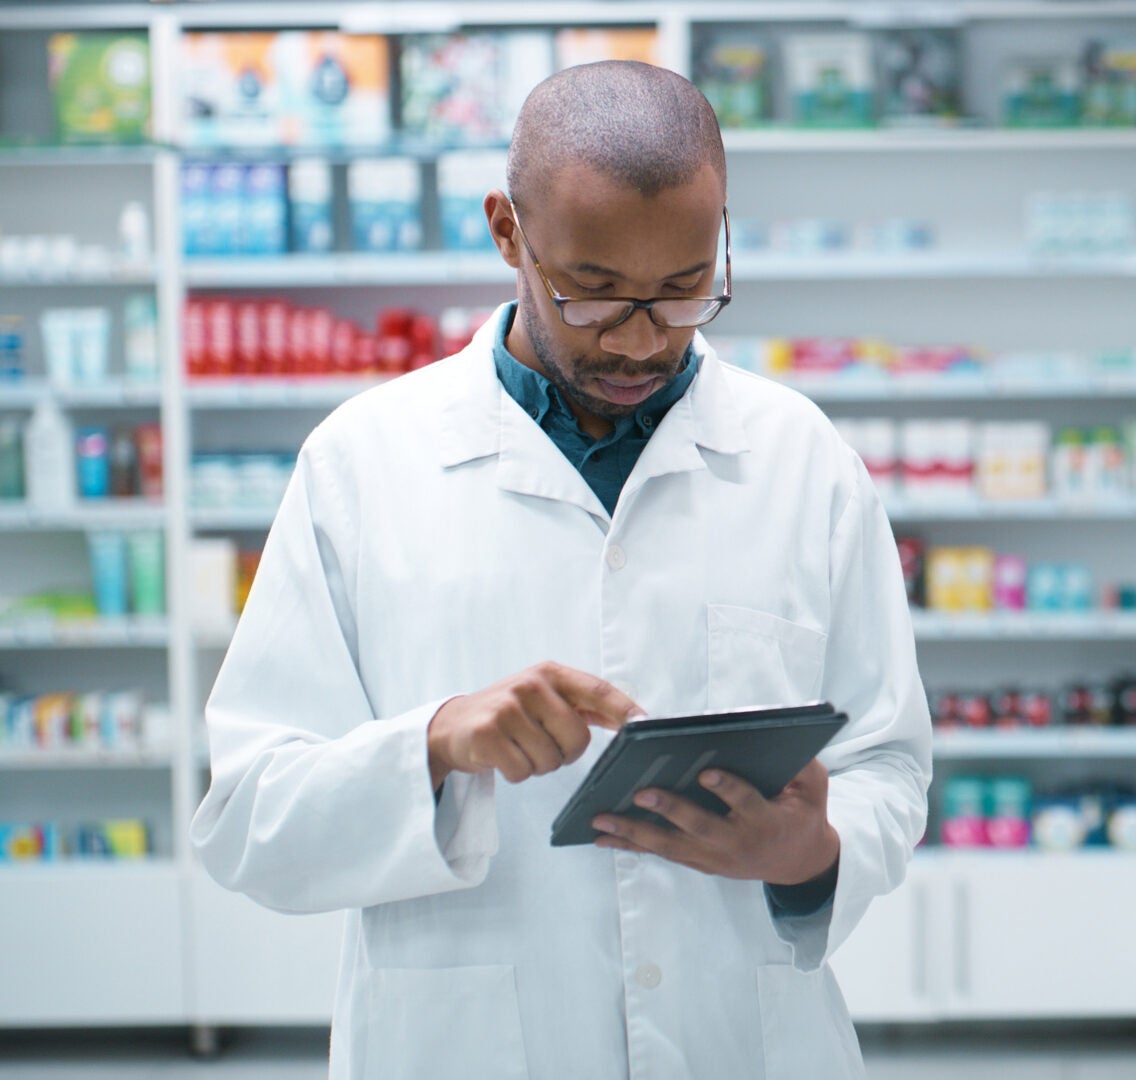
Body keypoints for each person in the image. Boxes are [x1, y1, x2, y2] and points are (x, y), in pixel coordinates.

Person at [192, 62, 931, 1079]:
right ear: (508, 231)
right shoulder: (362, 465)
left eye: (682, 293)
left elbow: (888, 761)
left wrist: (813, 855)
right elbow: (247, 819)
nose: (639, 339)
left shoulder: (801, 462)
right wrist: (433, 746)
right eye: (591, 294)